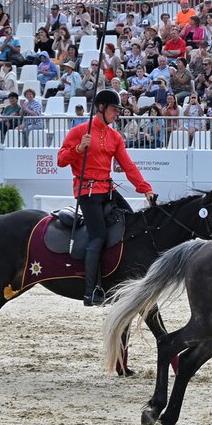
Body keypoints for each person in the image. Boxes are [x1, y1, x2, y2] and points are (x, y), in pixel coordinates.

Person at [57, 90, 156, 306]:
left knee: (132, 222)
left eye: (118, 110)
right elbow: (61, 160)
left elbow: (128, 166)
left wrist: (145, 189)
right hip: (87, 191)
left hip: (107, 189)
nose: (117, 114)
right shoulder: (79, 131)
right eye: (114, 109)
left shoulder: (115, 136)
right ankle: (91, 291)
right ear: (101, 107)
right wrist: (78, 148)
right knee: (98, 236)